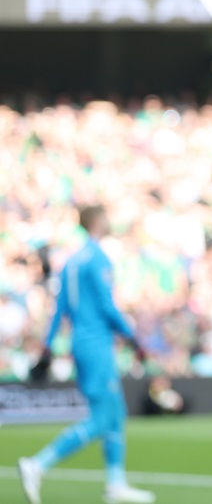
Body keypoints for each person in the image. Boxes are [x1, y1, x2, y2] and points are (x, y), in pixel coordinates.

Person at [17, 205, 155, 504]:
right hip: (97, 345)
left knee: (114, 412)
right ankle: (38, 464)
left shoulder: (70, 263)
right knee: (102, 418)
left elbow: (59, 310)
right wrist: (134, 340)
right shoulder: (98, 258)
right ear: (97, 221)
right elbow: (107, 307)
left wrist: (47, 346)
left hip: (79, 344)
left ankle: (116, 483)